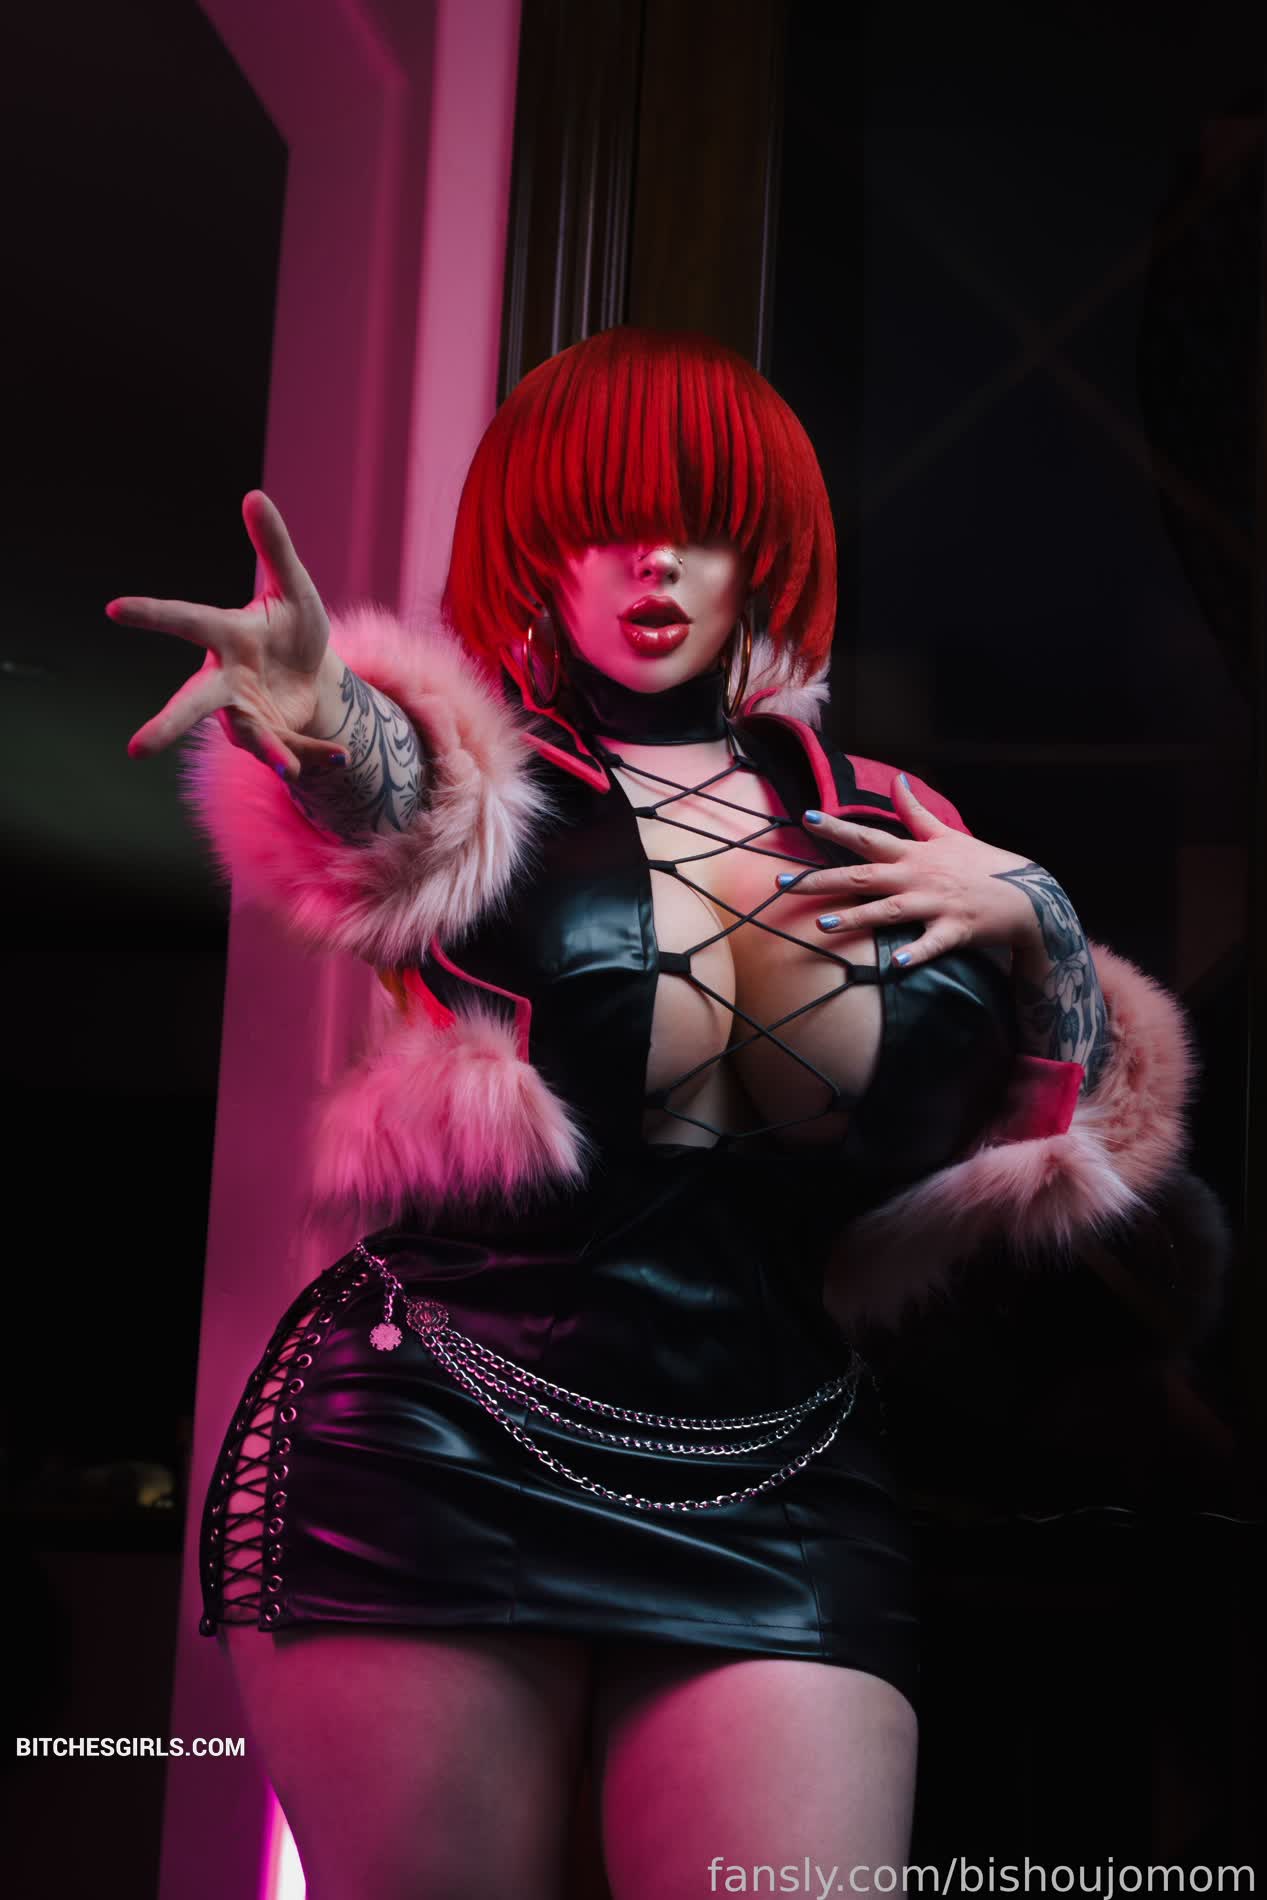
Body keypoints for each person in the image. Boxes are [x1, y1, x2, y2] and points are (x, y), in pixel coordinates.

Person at [107, 326, 1196, 1900]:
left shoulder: (896, 820)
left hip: (781, 1465)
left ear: (768, 553)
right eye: (600, 523)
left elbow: (1048, 1144)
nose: (655, 564)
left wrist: (1043, 919)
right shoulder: (483, 789)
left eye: (704, 523)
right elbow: (387, 791)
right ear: (537, 555)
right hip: (435, 1440)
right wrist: (328, 716)